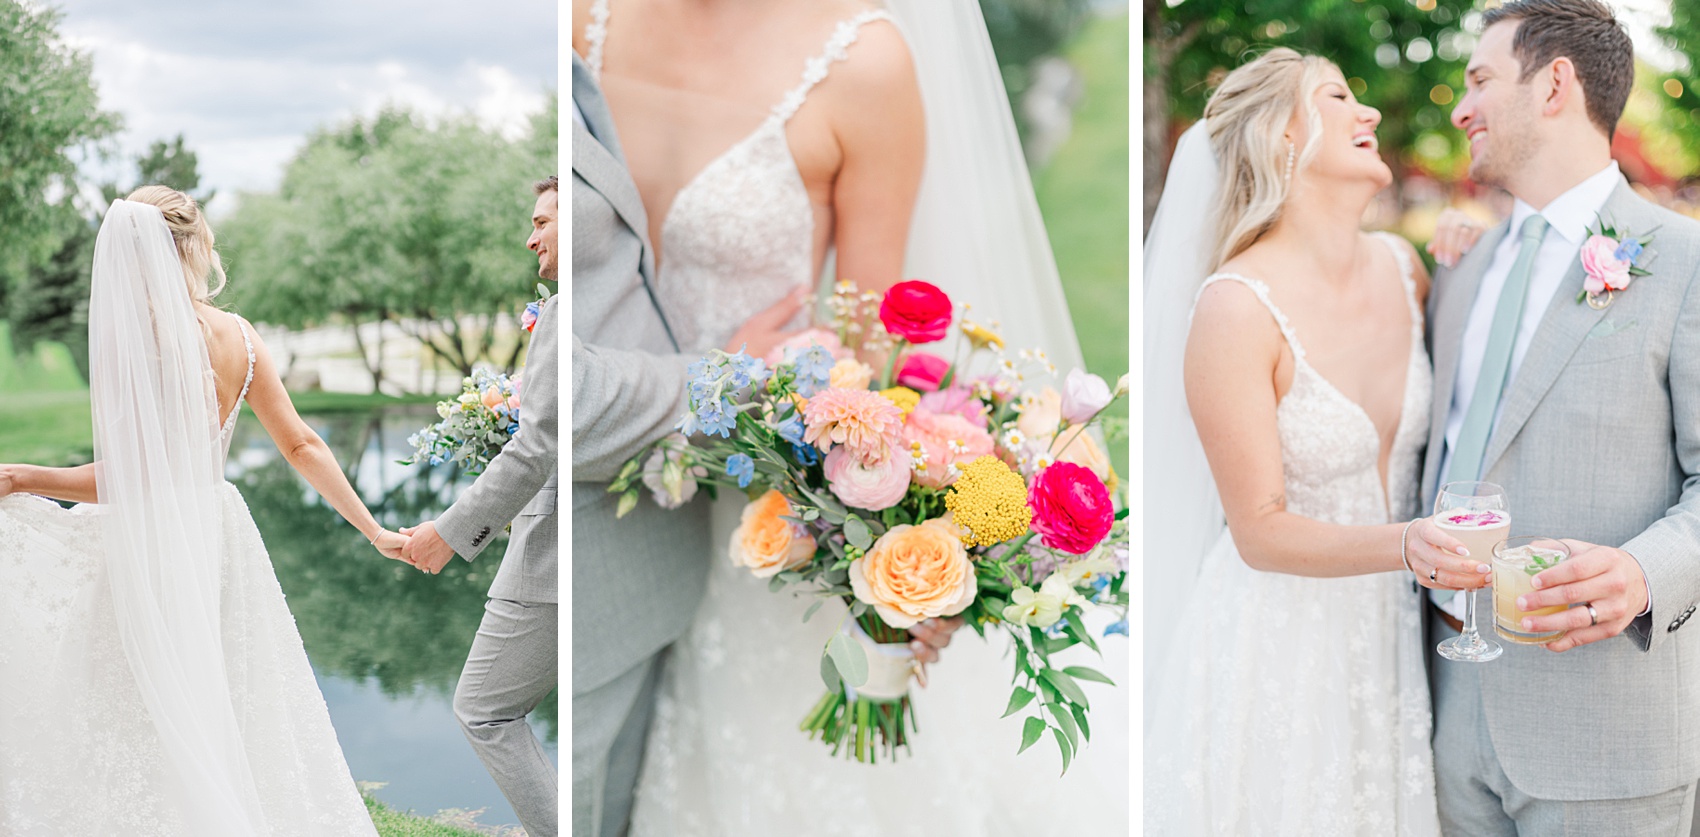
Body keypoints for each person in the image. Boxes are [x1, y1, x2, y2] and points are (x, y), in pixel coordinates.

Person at [573, 0, 1127, 833]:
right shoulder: (582, 19)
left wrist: (899, 559)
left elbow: (870, 360)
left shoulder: (861, 63)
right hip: (593, 471)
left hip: (759, 509)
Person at [0, 187, 394, 834]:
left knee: (128, 702)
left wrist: (20, 476)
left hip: (154, 541)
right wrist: (374, 529)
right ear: (191, 244)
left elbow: (131, 480)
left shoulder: (149, 341)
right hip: (219, 533)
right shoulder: (239, 333)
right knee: (230, 694)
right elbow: (301, 443)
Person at [1405, 1, 1700, 831]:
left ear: (1555, 85)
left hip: (1608, 732)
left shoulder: (1683, 262)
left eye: (1481, 80)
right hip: (1450, 718)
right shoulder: (1460, 270)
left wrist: (1646, 572)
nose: (1460, 109)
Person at [1143, 48, 1450, 834]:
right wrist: (1415, 543)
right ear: (1282, 136)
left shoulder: (1405, 267)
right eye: (1339, 96)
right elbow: (1260, 529)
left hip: (1388, 638)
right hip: (1280, 649)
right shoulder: (1236, 309)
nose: (1370, 112)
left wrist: (1470, 256)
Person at [399, 175, 562, 837]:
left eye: (543, 223)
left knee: (484, 708)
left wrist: (449, 529)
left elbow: (541, 442)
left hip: (553, 552)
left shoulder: (564, 309)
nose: (531, 238)